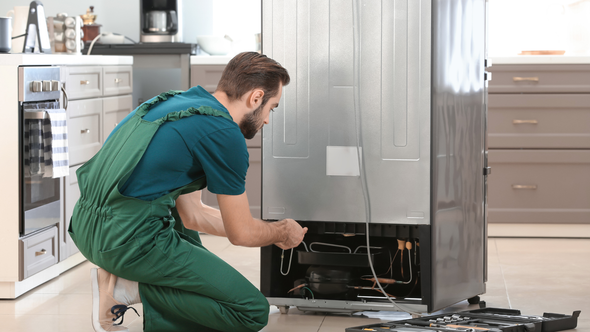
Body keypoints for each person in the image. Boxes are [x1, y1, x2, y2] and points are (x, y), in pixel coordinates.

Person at [68, 52, 308, 332]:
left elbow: (193, 216)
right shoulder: (225, 135)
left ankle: (130, 282)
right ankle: (128, 287)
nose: (267, 120)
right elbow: (241, 233)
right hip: (126, 241)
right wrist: (281, 232)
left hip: (87, 229)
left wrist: (258, 229)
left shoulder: (179, 104)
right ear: (255, 98)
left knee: (187, 236)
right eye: (272, 107)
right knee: (251, 311)